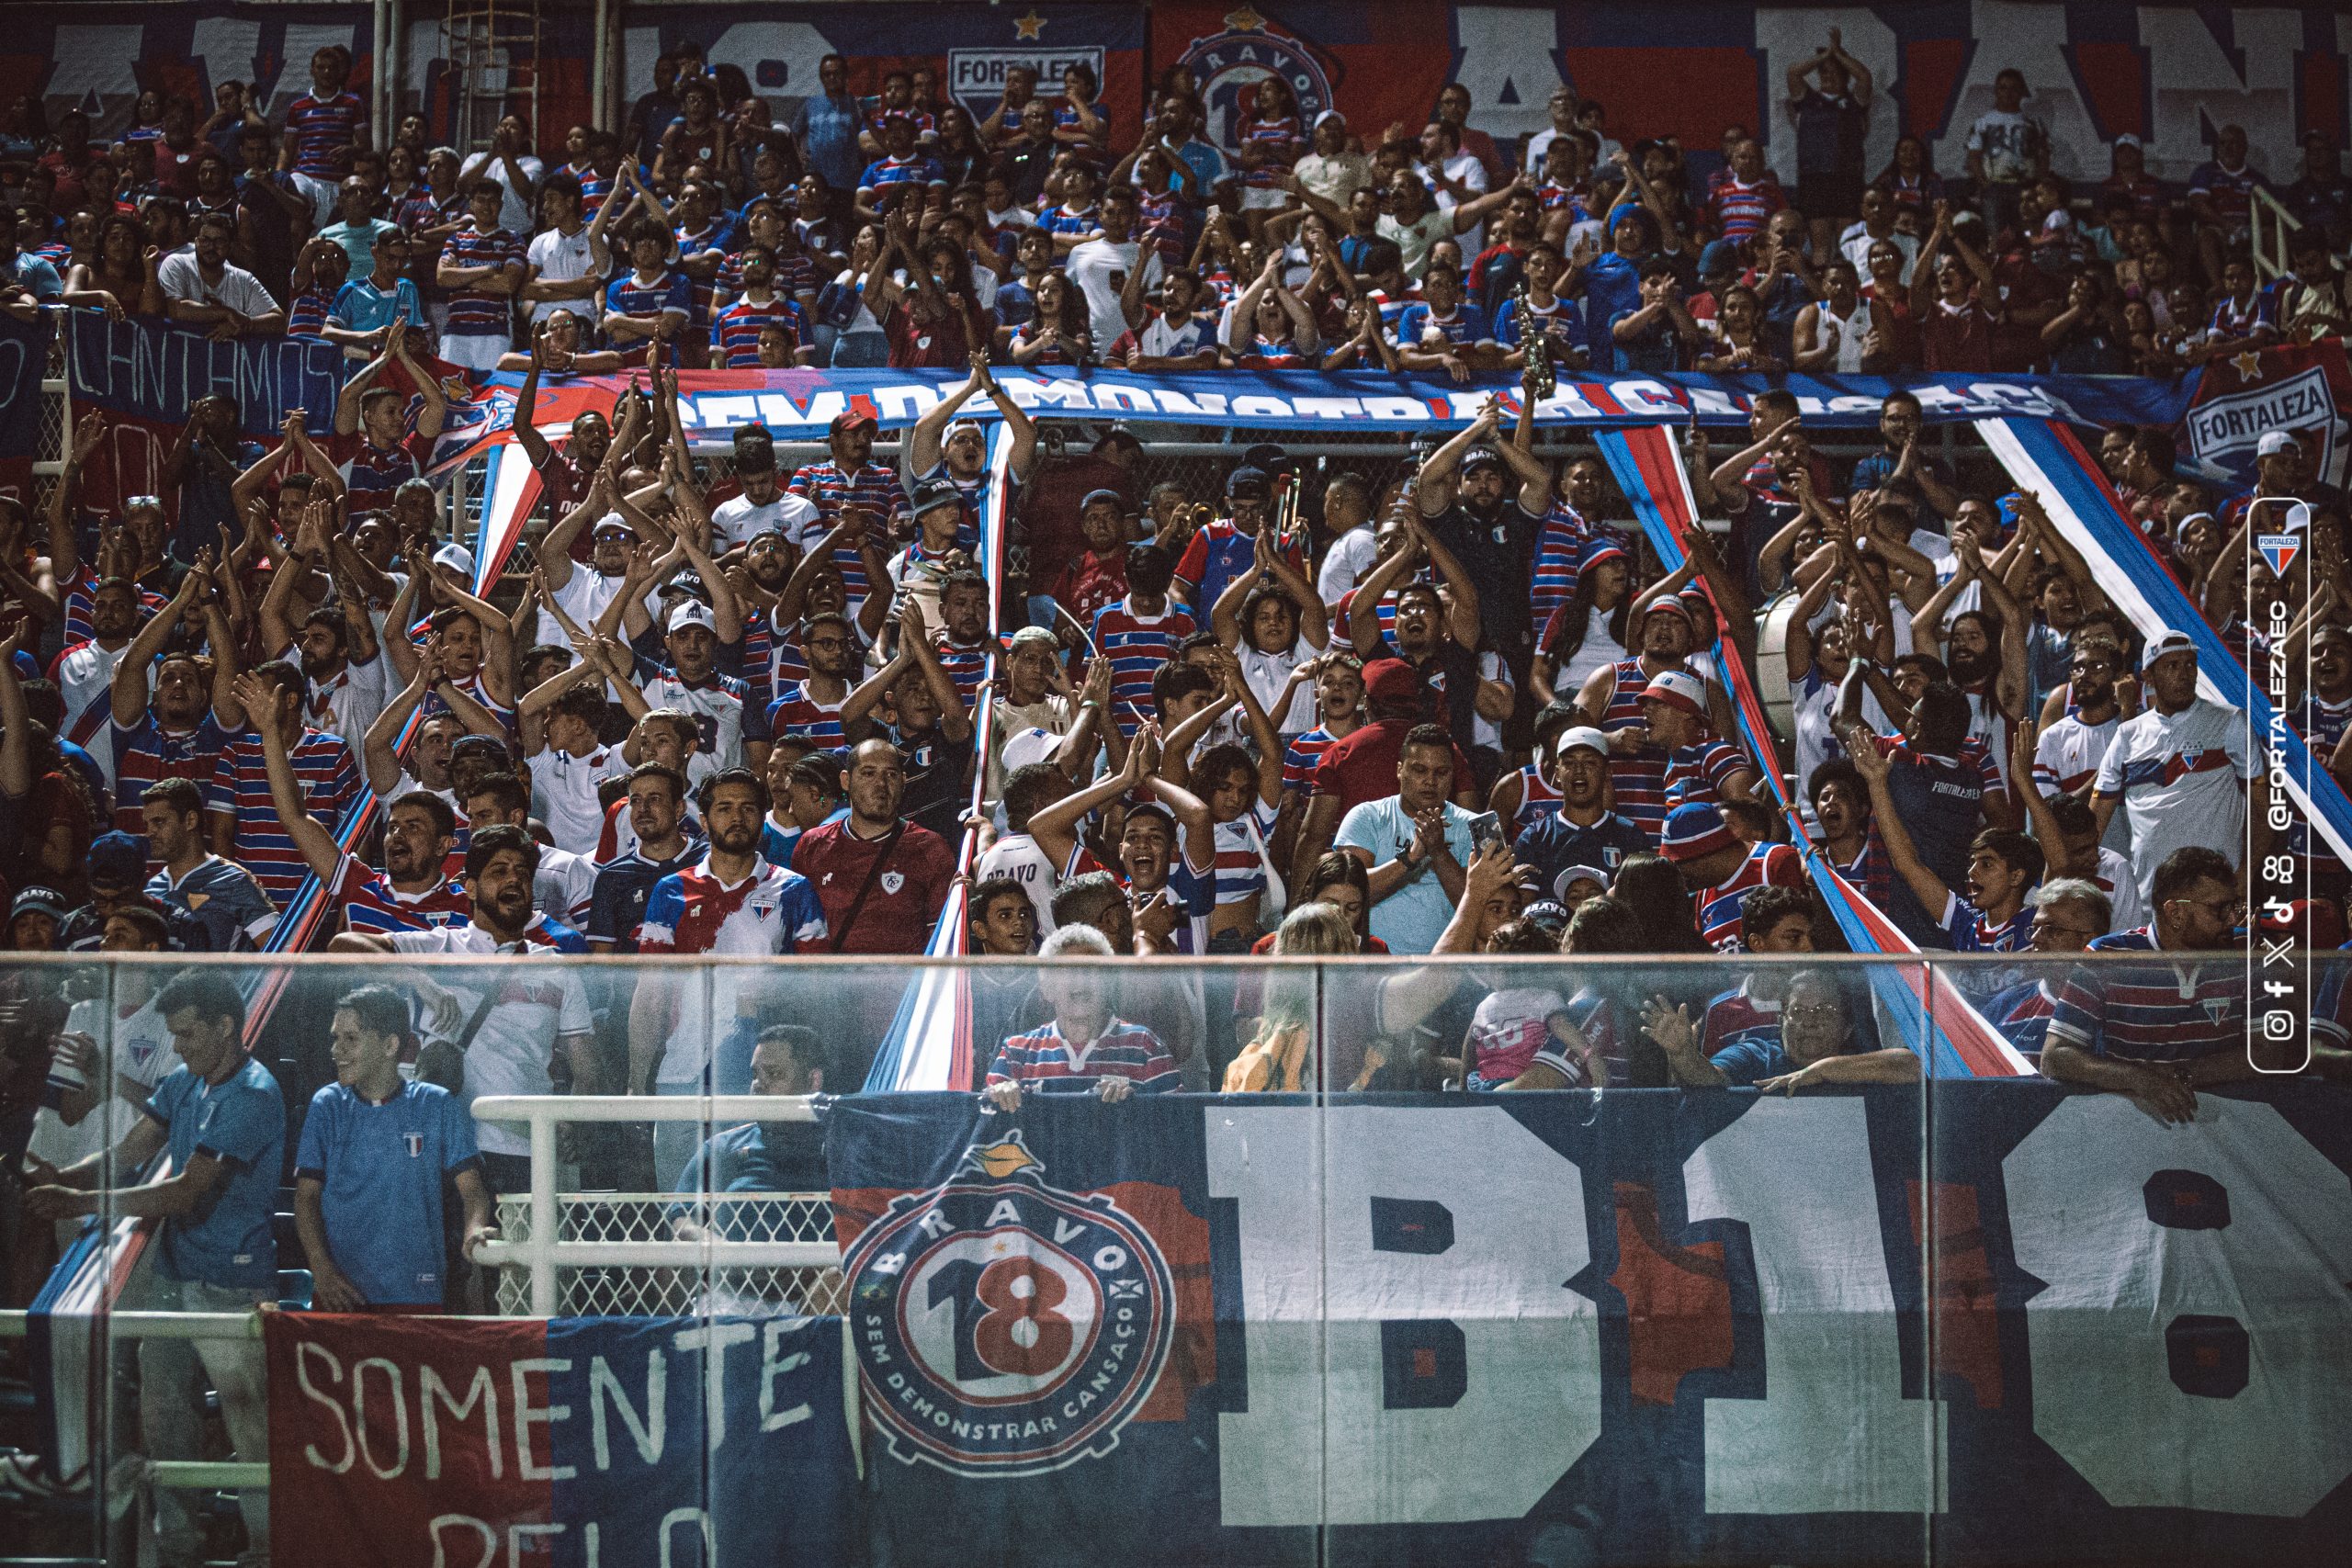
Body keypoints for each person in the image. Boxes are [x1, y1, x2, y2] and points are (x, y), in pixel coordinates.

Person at [20, 971, 281, 1565]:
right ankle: (175, 1550)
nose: (179, 1045)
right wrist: (66, 1178)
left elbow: (183, 1192)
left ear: (224, 1026)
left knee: (249, 1426)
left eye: (188, 1033)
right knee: (164, 1420)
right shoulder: (187, 1079)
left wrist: (80, 1201)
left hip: (231, 1285)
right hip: (172, 1274)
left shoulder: (255, 1092)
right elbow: (131, 1150)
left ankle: (267, 1551)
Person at [327, 825, 595, 1192]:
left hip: (523, 1146)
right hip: (440, 1145)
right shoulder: (440, 946)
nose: (513, 880)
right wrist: (423, 983)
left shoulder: (556, 966)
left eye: (522, 873)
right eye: (498, 871)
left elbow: (587, 1068)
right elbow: (343, 945)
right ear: (470, 887)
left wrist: (571, 1122)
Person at [295, 984, 494, 1312]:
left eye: (351, 1039)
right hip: (340, 1294)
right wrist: (323, 1272)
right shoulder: (326, 1105)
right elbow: (305, 1198)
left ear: (389, 1045)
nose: (336, 1050)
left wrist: (474, 1229)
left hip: (417, 1292)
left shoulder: (436, 1104)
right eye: (335, 1037)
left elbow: (473, 1191)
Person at [2041, 846, 2251, 1122]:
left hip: (2232, 1130)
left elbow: (2268, 1054)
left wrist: (2178, 1075)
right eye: (2220, 909)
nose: (2233, 920)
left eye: (2235, 906)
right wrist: (2138, 1080)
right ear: (2175, 912)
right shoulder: (2108, 956)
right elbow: (2055, 1057)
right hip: (2131, 1129)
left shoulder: (2245, 950)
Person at [2089, 631, 2260, 907]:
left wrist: (2247, 872)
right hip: (2149, 899)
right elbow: (2095, 821)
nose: (2184, 674)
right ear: (2148, 677)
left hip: (2216, 899)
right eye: (2172, 666)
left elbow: (2262, 808)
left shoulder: (2231, 722)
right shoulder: (2127, 735)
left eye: (2190, 664)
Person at [983, 925, 1179, 1108]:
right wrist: (998, 1096)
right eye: (1068, 971)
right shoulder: (1016, 1052)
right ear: (1047, 989)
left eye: (1090, 969)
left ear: (1109, 983)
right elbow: (984, 1125)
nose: (1080, 980)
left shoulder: (1145, 1045)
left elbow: (1179, 1124)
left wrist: (1135, 1107)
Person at [792, 738, 956, 954]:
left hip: (902, 986)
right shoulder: (812, 845)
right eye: (868, 773)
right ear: (846, 780)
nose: (881, 784)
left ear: (903, 781)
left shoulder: (930, 848)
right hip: (830, 986)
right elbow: (796, 931)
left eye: (891, 774)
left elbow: (941, 943)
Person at [1333, 723, 1480, 955]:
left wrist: (1438, 851)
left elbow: (1482, 907)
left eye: (1441, 772)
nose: (1431, 781)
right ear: (1400, 770)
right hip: (1373, 963)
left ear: (1453, 774)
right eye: (1420, 770)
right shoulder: (1366, 816)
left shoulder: (1477, 825)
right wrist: (1411, 857)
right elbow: (1348, 891)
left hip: (1449, 968)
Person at [1646, 968, 1919, 1090]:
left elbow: (1916, 1066)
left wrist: (1823, 1070)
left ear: (1847, 1029)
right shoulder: (1756, 1054)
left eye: (1824, 1011)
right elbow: (1708, 1079)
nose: (1809, 1021)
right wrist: (1682, 1053)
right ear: (1780, 1021)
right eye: (1798, 1012)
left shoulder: (1861, 1060)